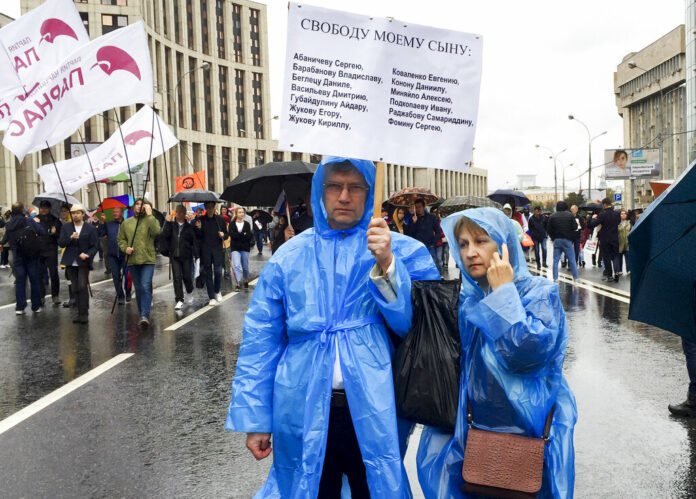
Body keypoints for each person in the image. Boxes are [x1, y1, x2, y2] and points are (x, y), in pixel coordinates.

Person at [225, 157, 439, 498]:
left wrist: (388, 266)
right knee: (310, 488)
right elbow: (261, 342)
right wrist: (256, 419)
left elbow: (419, 329)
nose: (344, 196)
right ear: (319, 192)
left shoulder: (402, 252)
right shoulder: (288, 257)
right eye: (334, 186)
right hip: (302, 404)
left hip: (375, 406)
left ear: (369, 194)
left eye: (355, 187)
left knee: (375, 487)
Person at [416, 208, 577, 498]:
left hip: (530, 436)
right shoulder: (464, 298)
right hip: (472, 435)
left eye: (480, 241)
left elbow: (526, 354)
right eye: (463, 244)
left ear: (504, 244)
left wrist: (503, 293)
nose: (470, 252)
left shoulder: (539, 293)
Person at [117, 197, 161, 328]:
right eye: (137, 204)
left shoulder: (150, 220)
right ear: (133, 207)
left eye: (142, 204)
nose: (139, 206)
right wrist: (126, 248)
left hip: (148, 259)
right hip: (133, 260)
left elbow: (157, 231)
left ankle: (144, 315)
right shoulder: (127, 223)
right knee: (139, 288)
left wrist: (149, 215)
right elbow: (121, 239)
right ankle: (143, 312)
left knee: (146, 285)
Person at [1, 202, 45, 314]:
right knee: (34, 280)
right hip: (31, 255)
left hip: (17, 256)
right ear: (22, 210)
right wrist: (37, 224)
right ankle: (35, 306)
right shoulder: (29, 221)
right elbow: (42, 232)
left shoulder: (9, 224)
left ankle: (20, 307)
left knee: (20, 282)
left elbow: (5, 239)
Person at [58, 204, 98, 323]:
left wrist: (88, 254)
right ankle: (79, 314)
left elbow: (95, 246)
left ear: (82, 214)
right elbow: (61, 243)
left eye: (78, 213)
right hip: (70, 261)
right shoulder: (66, 227)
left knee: (82, 286)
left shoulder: (89, 228)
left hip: (83, 262)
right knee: (74, 288)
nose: (75, 215)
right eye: (73, 213)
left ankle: (84, 314)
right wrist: (70, 238)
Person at [162, 205, 198, 310]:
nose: (179, 214)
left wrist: (196, 256)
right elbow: (165, 236)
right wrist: (167, 223)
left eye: (182, 212)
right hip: (174, 256)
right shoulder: (171, 225)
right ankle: (179, 299)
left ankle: (190, 291)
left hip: (186, 256)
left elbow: (194, 241)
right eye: (177, 212)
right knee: (177, 278)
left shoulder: (189, 227)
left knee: (187, 276)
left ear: (185, 213)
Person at [195, 201, 228, 305]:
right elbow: (198, 236)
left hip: (217, 249)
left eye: (211, 207)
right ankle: (211, 296)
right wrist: (199, 229)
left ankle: (217, 290)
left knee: (218, 272)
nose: (210, 209)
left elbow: (226, 235)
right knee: (208, 273)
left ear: (214, 207)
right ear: (205, 207)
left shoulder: (220, 220)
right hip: (206, 250)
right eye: (208, 207)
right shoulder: (201, 220)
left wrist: (223, 234)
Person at [99, 206, 131, 305]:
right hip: (112, 255)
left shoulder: (128, 223)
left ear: (122, 213)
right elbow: (101, 233)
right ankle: (120, 295)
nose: (115, 213)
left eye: (117, 211)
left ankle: (128, 292)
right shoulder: (109, 224)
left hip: (125, 255)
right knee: (116, 276)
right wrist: (102, 223)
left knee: (128, 276)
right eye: (114, 212)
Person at [406, 198, 442, 273]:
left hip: (430, 246)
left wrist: (433, 244)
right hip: (418, 247)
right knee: (420, 267)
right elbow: (409, 233)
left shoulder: (431, 217)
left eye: (420, 207)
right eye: (416, 207)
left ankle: (438, 279)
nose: (418, 209)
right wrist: (413, 223)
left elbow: (438, 231)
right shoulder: (412, 218)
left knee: (434, 265)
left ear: (424, 206)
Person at [589, 198, 621, 282]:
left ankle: (610, 276)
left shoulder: (602, 215)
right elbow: (618, 223)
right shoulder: (617, 214)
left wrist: (593, 218)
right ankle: (617, 271)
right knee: (615, 255)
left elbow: (593, 224)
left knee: (606, 257)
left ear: (604, 205)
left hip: (605, 239)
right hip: (615, 238)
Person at [36, 200, 62, 305]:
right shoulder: (35, 219)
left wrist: (54, 233)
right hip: (39, 250)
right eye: (42, 207)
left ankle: (55, 295)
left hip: (51, 250)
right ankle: (41, 296)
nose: (43, 209)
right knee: (40, 275)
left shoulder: (55, 220)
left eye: (45, 207)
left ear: (50, 209)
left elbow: (59, 236)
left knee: (53, 273)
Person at [547, 201, 579, 282]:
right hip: (567, 240)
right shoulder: (570, 215)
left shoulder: (552, 216)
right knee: (572, 259)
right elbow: (575, 227)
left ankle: (555, 278)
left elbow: (549, 229)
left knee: (555, 260)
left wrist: (553, 238)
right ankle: (575, 278)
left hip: (557, 240)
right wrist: (571, 235)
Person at [229, 207, 253, 291]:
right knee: (236, 265)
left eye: (242, 212)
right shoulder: (232, 224)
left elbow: (249, 236)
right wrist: (243, 234)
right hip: (235, 247)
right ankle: (238, 282)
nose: (241, 214)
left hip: (245, 247)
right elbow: (232, 235)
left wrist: (239, 235)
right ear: (236, 213)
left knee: (245, 266)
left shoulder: (247, 224)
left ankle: (246, 279)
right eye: (239, 212)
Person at [528, 205, 548, 270]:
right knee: (537, 250)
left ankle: (544, 262)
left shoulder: (544, 217)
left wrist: (546, 233)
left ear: (540, 211)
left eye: (538, 210)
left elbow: (546, 226)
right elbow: (530, 228)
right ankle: (538, 263)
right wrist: (533, 233)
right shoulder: (531, 219)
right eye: (536, 210)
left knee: (544, 248)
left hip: (543, 236)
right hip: (535, 237)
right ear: (534, 211)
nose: (537, 212)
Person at [617, 208, 631, 275]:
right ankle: (620, 270)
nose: (623, 215)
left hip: (627, 243)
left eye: (624, 214)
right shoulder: (617, 223)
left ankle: (628, 270)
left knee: (628, 258)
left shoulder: (629, 223)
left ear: (626, 215)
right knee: (619, 258)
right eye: (621, 214)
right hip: (620, 243)